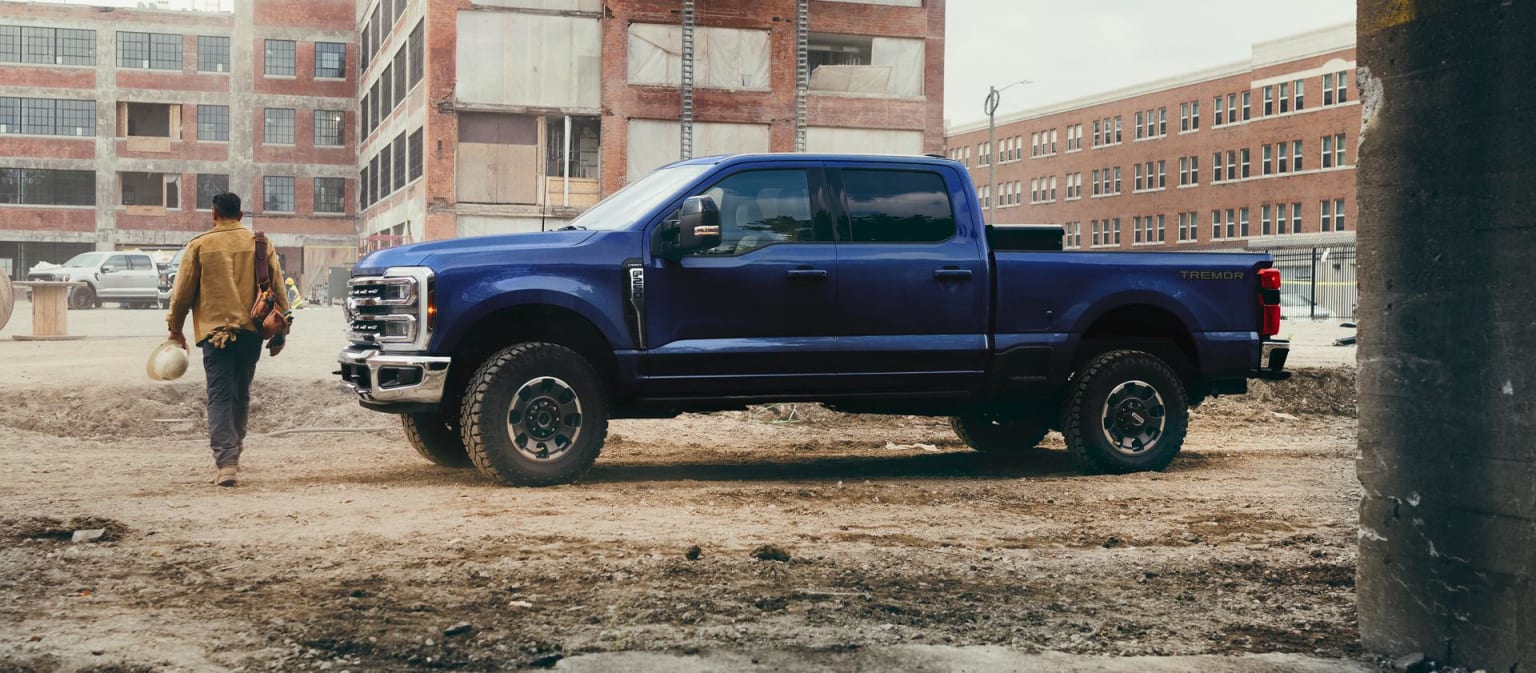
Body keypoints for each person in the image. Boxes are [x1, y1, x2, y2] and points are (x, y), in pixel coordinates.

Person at [166, 192, 289, 487]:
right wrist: (281, 332)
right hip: (251, 333)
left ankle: (226, 463)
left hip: (215, 335)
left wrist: (175, 328)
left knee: (219, 396)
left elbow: (182, 295)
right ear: (242, 214)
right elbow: (278, 290)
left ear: (214, 214)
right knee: (240, 393)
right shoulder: (260, 243)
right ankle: (235, 452)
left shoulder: (199, 245)